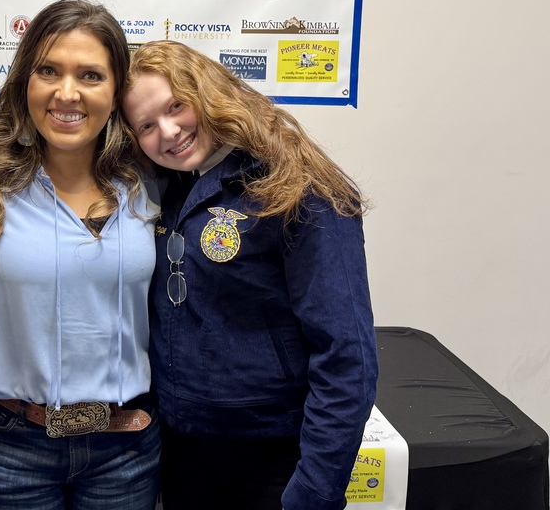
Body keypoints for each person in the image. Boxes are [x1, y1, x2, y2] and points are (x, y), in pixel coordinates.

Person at [122, 40, 378, 510]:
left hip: (276, 460)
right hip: (185, 453)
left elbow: (347, 356)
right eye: (146, 125)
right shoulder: (164, 190)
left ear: (208, 91)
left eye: (177, 105)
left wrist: (315, 490)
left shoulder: (297, 185)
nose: (169, 131)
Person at [0, 0, 161, 510]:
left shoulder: (150, 182)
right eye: (48, 70)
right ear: (26, 79)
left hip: (126, 446)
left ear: (116, 94)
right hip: (8, 445)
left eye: (90, 75)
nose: (66, 93)